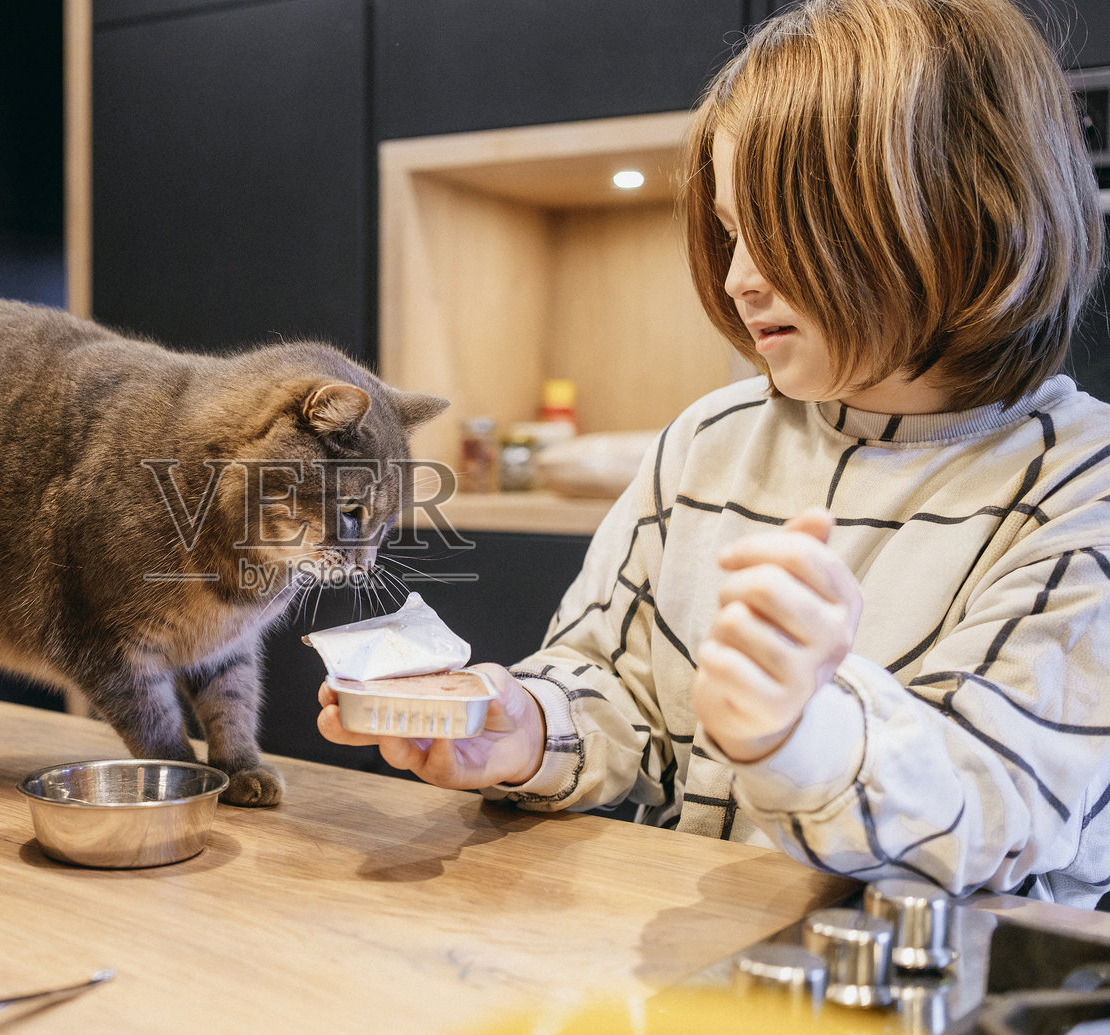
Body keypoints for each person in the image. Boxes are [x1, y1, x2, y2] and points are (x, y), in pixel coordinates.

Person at [317, 0, 1110, 907]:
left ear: (962, 203)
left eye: (786, 228)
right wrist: (522, 725)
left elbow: (1000, 806)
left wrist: (801, 729)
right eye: (733, 231)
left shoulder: (1080, 480)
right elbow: (617, 689)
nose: (740, 278)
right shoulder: (708, 439)